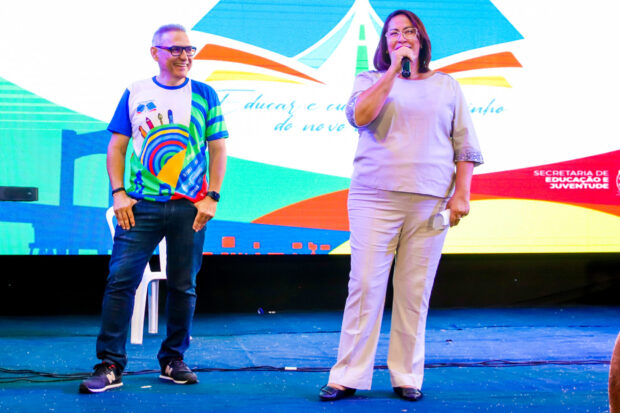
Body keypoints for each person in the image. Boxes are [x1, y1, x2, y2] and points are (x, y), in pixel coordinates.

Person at [319, 9, 483, 402]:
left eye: (408, 31)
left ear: (421, 39)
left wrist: (462, 193)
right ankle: (348, 375)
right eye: (392, 33)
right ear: (385, 43)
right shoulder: (370, 80)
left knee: (414, 290)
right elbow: (360, 117)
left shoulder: (447, 86)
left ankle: (406, 375)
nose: (401, 38)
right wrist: (393, 71)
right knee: (364, 286)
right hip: (373, 196)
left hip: (430, 200)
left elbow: (465, 145)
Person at [79, 24, 228, 394]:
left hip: (189, 206)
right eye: (176, 49)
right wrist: (118, 193)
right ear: (155, 52)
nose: (185, 56)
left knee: (183, 286)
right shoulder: (136, 91)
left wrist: (212, 196)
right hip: (139, 205)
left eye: (189, 49)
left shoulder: (205, 94)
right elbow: (116, 147)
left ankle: (173, 360)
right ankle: (110, 364)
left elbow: (218, 147)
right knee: (121, 282)